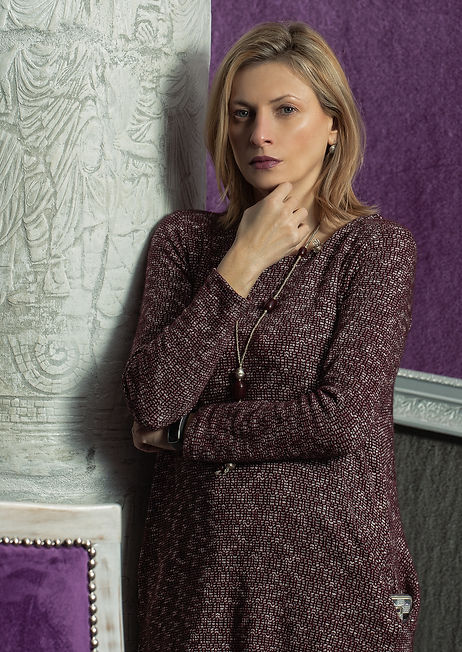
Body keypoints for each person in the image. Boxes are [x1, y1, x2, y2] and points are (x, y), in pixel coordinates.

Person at [123, 21, 420, 652]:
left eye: (286, 110)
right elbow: (152, 397)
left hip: (326, 575)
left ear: (333, 124)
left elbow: (340, 420)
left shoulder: (374, 251)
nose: (259, 133)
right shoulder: (184, 243)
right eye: (242, 113)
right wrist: (243, 260)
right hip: (196, 572)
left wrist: (187, 433)